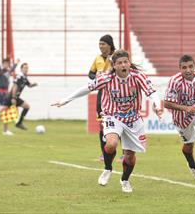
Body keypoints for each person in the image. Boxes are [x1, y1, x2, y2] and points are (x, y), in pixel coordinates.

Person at [52, 49, 162, 193]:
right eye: (120, 63)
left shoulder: (138, 77)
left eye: (125, 62)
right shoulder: (106, 78)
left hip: (133, 119)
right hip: (112, 116)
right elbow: (86, 88)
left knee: (130, 155)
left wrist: (158, 105)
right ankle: (108, 168)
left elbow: (152, 93)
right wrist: (66, 100)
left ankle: (125, 180)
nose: (123, 65)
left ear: (129, 63)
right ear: (114, 66)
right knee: (111, 143)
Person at [88, 34, 123, 162]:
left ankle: (125, 153)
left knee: (122, 124)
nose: (100, 46)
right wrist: (96, 76)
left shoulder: (117, 56)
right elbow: (90, 73)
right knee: (102, 125)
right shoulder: (97, 58)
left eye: (103, 44)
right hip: (102, 94)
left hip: (116, 94)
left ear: (109, 45)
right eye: (99, 44)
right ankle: (105, 154)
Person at [0, 63, 38, 135]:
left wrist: (34, 84)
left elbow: (29, 85)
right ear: (21, 69)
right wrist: (13, 98)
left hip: (15, 97)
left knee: (25, 107)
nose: (26, 69)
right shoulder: (20, 76)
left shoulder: (24, 78)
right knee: (2, 112)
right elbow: (15, 86)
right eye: (25, 68)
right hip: (11, 97)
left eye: (27, 68)